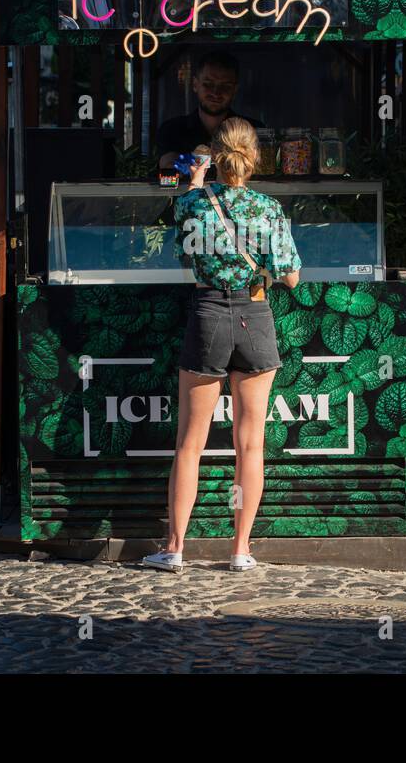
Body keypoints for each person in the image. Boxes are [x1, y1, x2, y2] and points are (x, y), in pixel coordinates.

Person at [142, 117, 300, 574]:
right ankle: (240, 551)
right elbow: (290, 276)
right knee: (249, 446)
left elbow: (181, 254)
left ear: (215, 155)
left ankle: (174, 548)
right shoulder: (268, 209)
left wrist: (195, 182)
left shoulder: (191, 204)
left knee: (189, 445)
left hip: (207, 314)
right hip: (254, 316)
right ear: (253, 158)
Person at [155, 51, 266, 180]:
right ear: (195, 84)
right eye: (208, 84)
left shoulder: (253, 129)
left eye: (225, 86)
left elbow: (263, 172)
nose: (215, 92)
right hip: (188, 199)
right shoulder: (172, 129)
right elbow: (168, 168)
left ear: (235, 90)